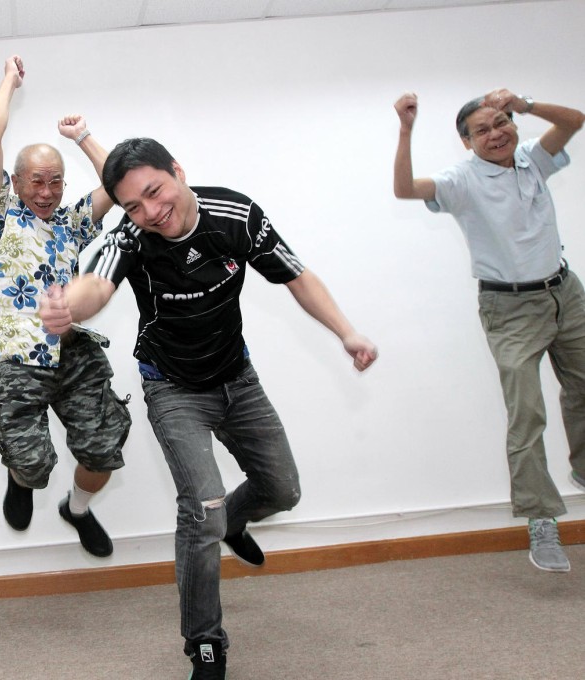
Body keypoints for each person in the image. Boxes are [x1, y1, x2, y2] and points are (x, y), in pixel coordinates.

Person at [40, 138, 377, 680]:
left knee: (283, 490)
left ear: (178, 171)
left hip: (236, 379)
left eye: (154, 192)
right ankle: (205, 645)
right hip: (172, 389)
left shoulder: (235, 215)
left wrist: (348, 333)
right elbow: (96, 285)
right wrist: (65, 307)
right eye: (133, 206)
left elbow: (297, 275)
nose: (150, 212)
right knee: (201, 513)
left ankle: (235, 520)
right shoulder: (132, 234)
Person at [393, 89, 585, 573]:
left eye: (502, 122)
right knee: (527, 413)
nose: (496, 133)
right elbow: (405, 190)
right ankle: (541, 519)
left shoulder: (531, 160)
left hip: (565, 292)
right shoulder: (461, 181)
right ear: (466, 142)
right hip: (509, 306)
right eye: (483, 129)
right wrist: (406, 130)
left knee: (583, 387)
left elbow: (575, 119)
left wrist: (525, 103)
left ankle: (583, 469)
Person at [0, 55, 131, 557]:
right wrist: (9, 82)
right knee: (34, 465)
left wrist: (83, 138)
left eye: (55, 180)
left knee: (103, 449)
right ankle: (20, 476)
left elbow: (122, 185)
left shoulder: (73, 221)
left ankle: (77, 509)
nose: (47, 191)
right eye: (36, 181)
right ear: (16, 184)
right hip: (15, 352)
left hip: (71, 348)